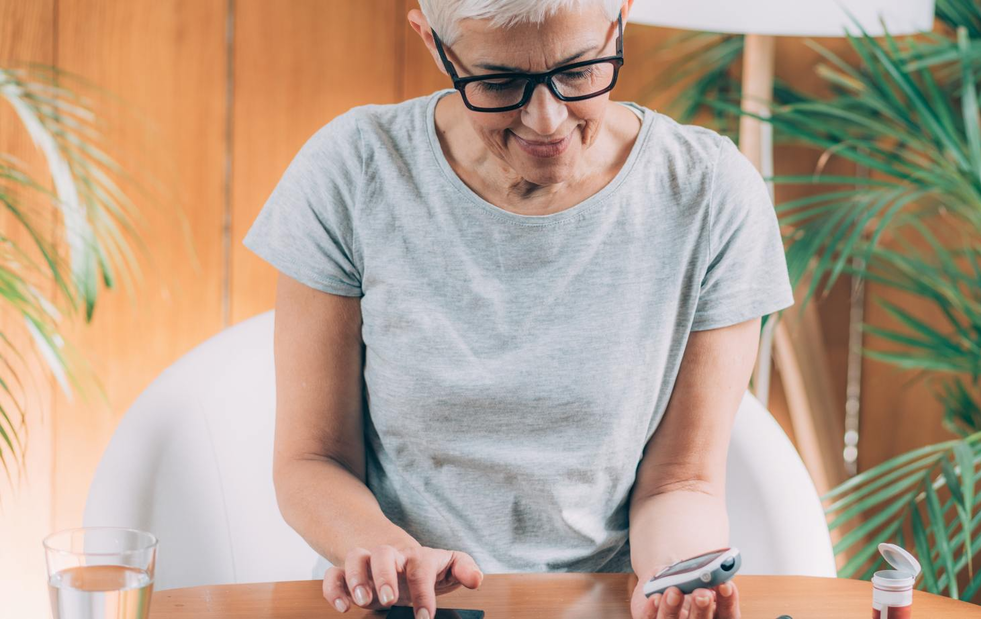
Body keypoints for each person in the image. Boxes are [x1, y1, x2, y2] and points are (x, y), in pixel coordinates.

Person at [243, 1, 793, 618]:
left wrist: (671, 581)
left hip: (601, 605)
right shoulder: (353, 169)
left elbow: (680, 482)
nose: (547, 119)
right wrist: (389, 554)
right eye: (500, 82)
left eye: (582, 70)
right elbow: (312, 460)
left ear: (623, 18)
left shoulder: (709, 194)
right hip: (402, 607)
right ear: (434, 44)